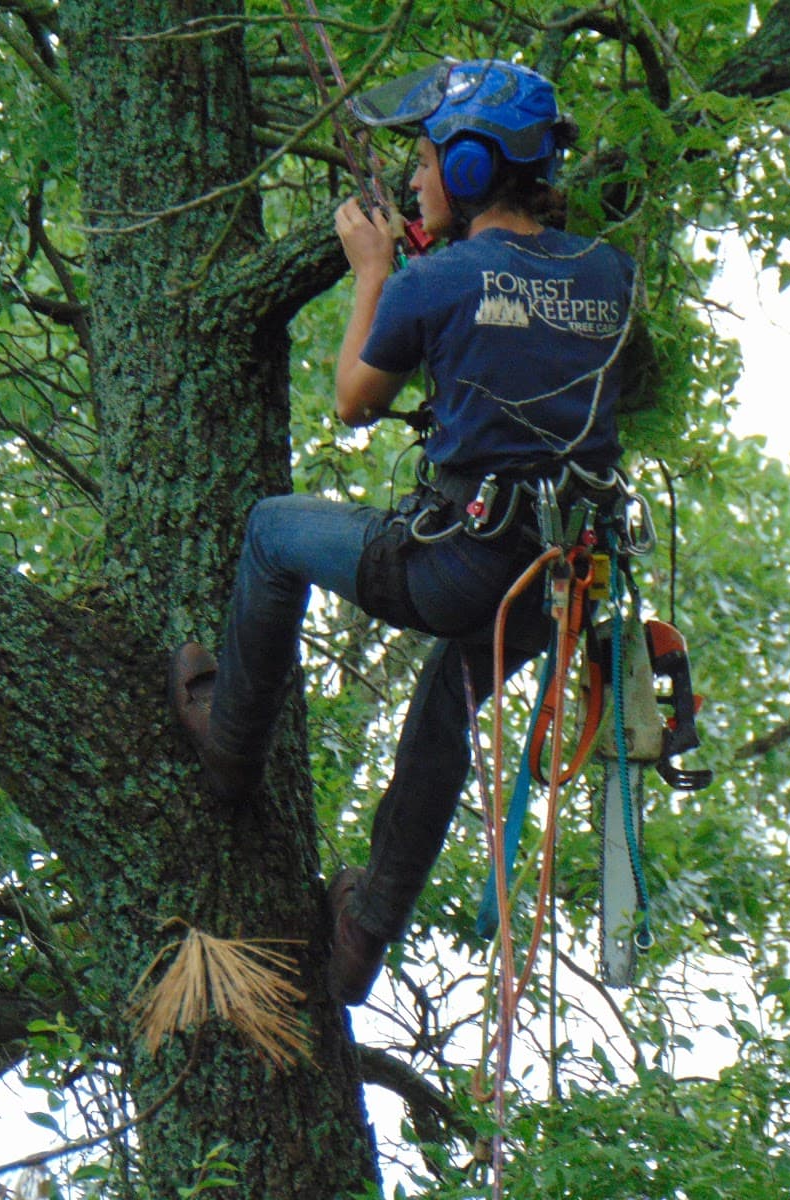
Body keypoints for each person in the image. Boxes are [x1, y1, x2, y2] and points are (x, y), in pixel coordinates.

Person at [168, 58, 638, 1006]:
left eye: (425, 162)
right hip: (554, 582)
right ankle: (361, 937)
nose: (416, 180)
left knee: (269, 533)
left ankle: (230, 745)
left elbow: (353, 399)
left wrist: (377, 275)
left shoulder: (436, 278)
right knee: (441, 715)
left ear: (466, 169)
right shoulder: (610, 273)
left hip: (460, 566)